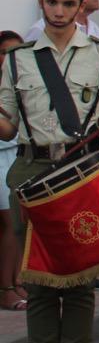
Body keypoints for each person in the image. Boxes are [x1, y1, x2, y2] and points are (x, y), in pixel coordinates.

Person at [0, 0, 99, 343]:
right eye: (51, 2)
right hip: (33, 171)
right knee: (38, 282)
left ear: (80, 6)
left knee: (79, 280)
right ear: (42, 2)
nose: (58, 11)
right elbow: (7, 125)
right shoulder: (18, 60)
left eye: (67, 3)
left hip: (81, 173)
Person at [0, 30, 26, 314]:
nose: (10, 59)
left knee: (20, 222)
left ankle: (18, 280)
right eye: (5, 53)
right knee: (9, 222)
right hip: (1, 156)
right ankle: (5, 288)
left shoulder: (23, 80)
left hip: (18, 155)